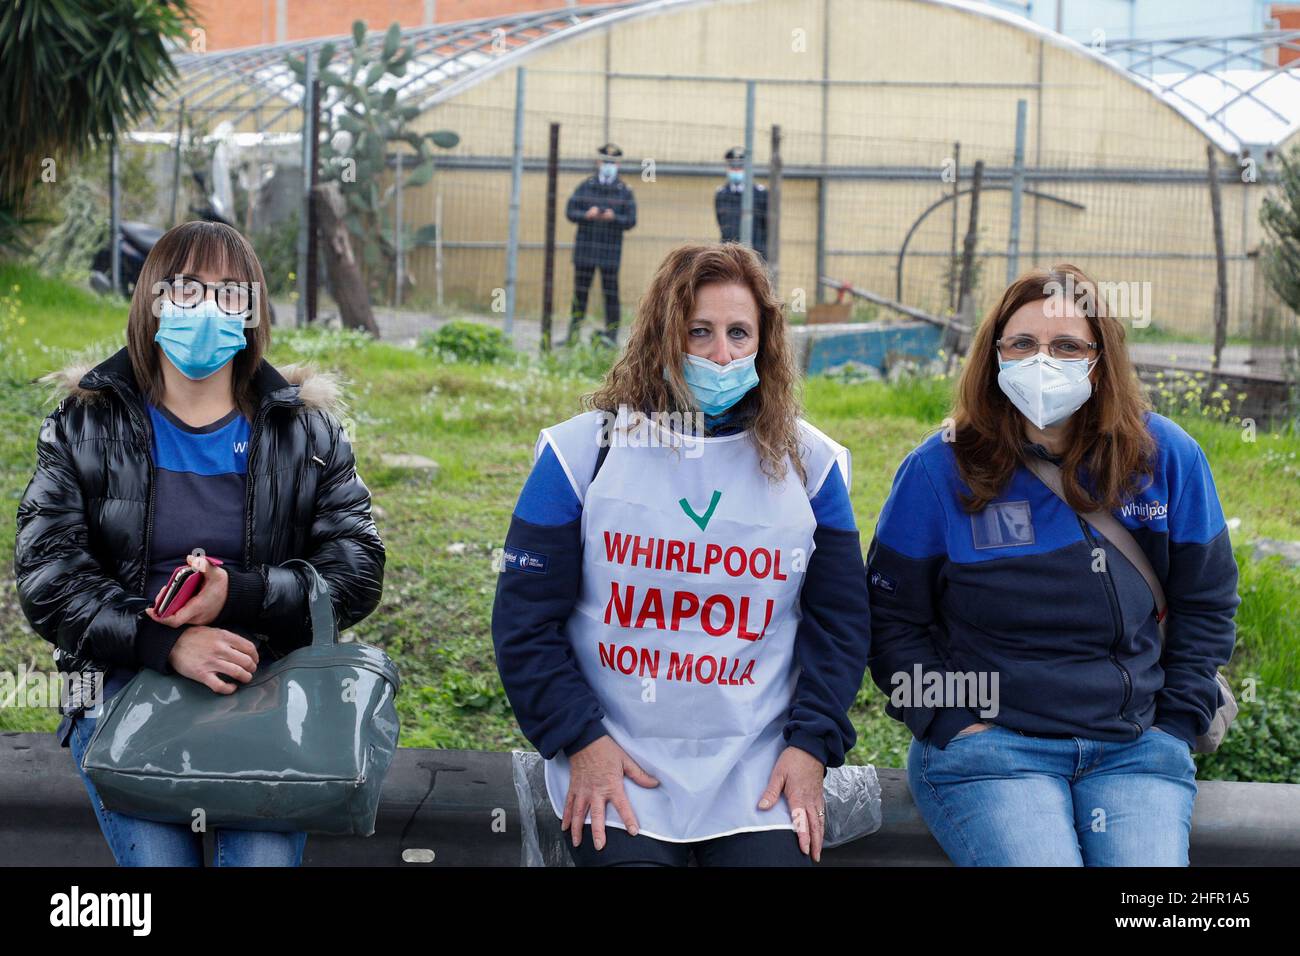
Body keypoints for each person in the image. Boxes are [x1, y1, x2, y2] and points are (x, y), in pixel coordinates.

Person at [14, 220, 385, 867]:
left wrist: (241, 594)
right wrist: (168, 642)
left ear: (252, 311)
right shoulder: (86, 424)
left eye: (228, 293)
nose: (207, 309)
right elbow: (50, 576)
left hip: (267, 685)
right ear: (152, 301)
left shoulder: (307, 431)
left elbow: (356, 568)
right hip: (117, 684)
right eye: (187, 291)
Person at [492, 242, 871, 866]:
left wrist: (810, 747)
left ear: (765, 343)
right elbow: (524, 621)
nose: (722, 355)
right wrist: (579, 739)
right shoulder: (581, 454)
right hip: (617, 757)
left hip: (759, 765)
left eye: (738, 333)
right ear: (664, 337)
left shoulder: (812, 465)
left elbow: (841, 624)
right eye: (700, 332)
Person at [866, 263, 1238, 867]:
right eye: (1023, 344)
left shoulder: (1168, 458)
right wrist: (949, 721)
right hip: (993, 750)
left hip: (1135, 748)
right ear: (995, 357)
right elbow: (889, 618)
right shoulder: (939, 469)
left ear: (1101, 359)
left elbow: (1207, 602)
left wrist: (1174, 724)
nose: (1044, 360)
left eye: (1067, 345)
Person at [564, 142, 637, 346]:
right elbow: (570, 212)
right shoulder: (586, 185)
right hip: (585, 250)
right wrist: (587, 215)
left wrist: (614, 217)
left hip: (610, 252)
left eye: (612, 162)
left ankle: (612, 336)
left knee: (611, 294)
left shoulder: (624, 190)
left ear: (618, 165)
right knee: (580, 293)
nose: (608, 165)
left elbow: (631, 220)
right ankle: (573, 335)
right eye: (605, 161)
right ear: (598, 162)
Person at [715, 146, 768, 262]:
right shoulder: (721, 194)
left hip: (756, 256)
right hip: (729, 257)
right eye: (733, 167)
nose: (736, 170)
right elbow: (721, 224)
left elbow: (766, 226)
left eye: (740, 167)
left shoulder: (760, 193)